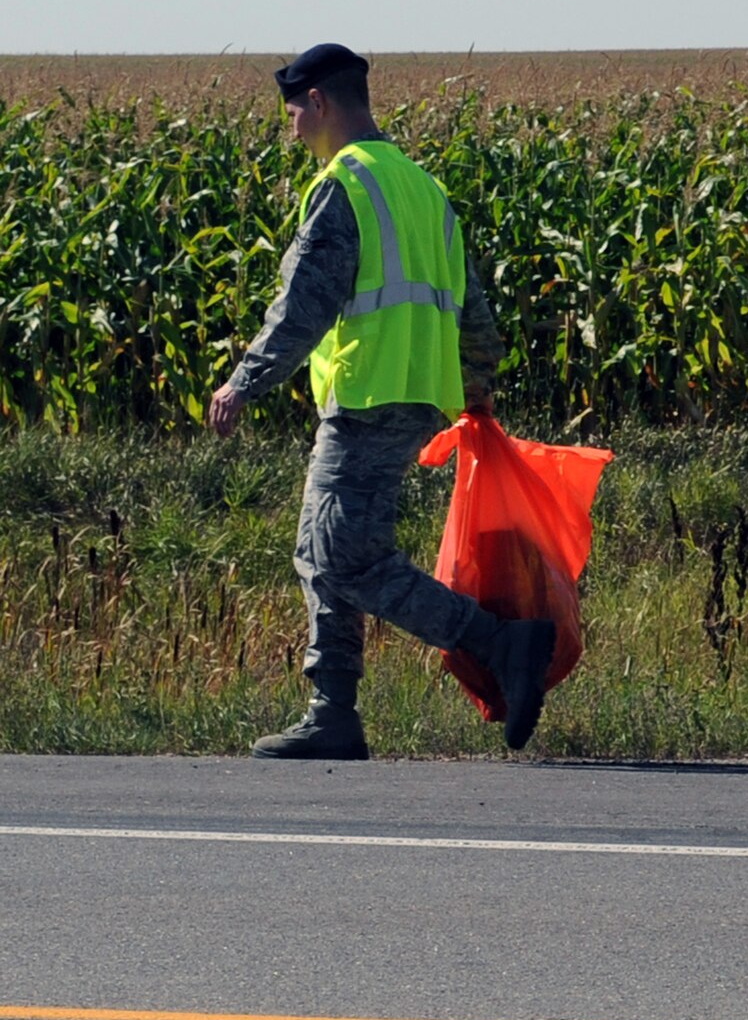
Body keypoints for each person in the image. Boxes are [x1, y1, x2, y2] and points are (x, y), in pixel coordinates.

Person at [205, 43, 555, 761]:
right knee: (319, 551)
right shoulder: (422, 188)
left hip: (369, 392)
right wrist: (476, 390)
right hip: (416, 393)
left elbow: (306, 301)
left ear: (322, 102)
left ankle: (502, 644)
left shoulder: (347, 184)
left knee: (350, 557)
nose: (293, 127)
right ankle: (331, 710)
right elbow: (475, 313)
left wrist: (246, 379)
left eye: (295, 111)